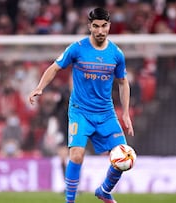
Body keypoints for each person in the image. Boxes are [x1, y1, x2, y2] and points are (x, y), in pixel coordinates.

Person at [28, 7, 134, 203]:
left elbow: (123, 82)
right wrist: (40, 87)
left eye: (104, 26)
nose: (100, 31)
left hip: (106, 113)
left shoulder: (116, 54)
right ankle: (70, 201)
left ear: (109, 26)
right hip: (80, 112)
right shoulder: (77, 48)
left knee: (126, 157)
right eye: (96, 26)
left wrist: (125, 113)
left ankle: (104, 191)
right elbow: (54, 67)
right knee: (76, 155)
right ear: (89, 26)